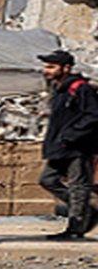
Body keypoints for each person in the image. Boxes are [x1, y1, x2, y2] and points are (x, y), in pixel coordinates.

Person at [37, 50, 98, 241]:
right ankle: (87, 211)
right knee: (47, 180)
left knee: (78, 187)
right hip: (60, 147)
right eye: (46, 66)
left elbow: (93, 115)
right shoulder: (59, 89)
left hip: (77, 147)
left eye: (51, 67)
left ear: (66, 68)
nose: (46, 70)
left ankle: (75, 229)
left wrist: (70, 135)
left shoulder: (80, 88)